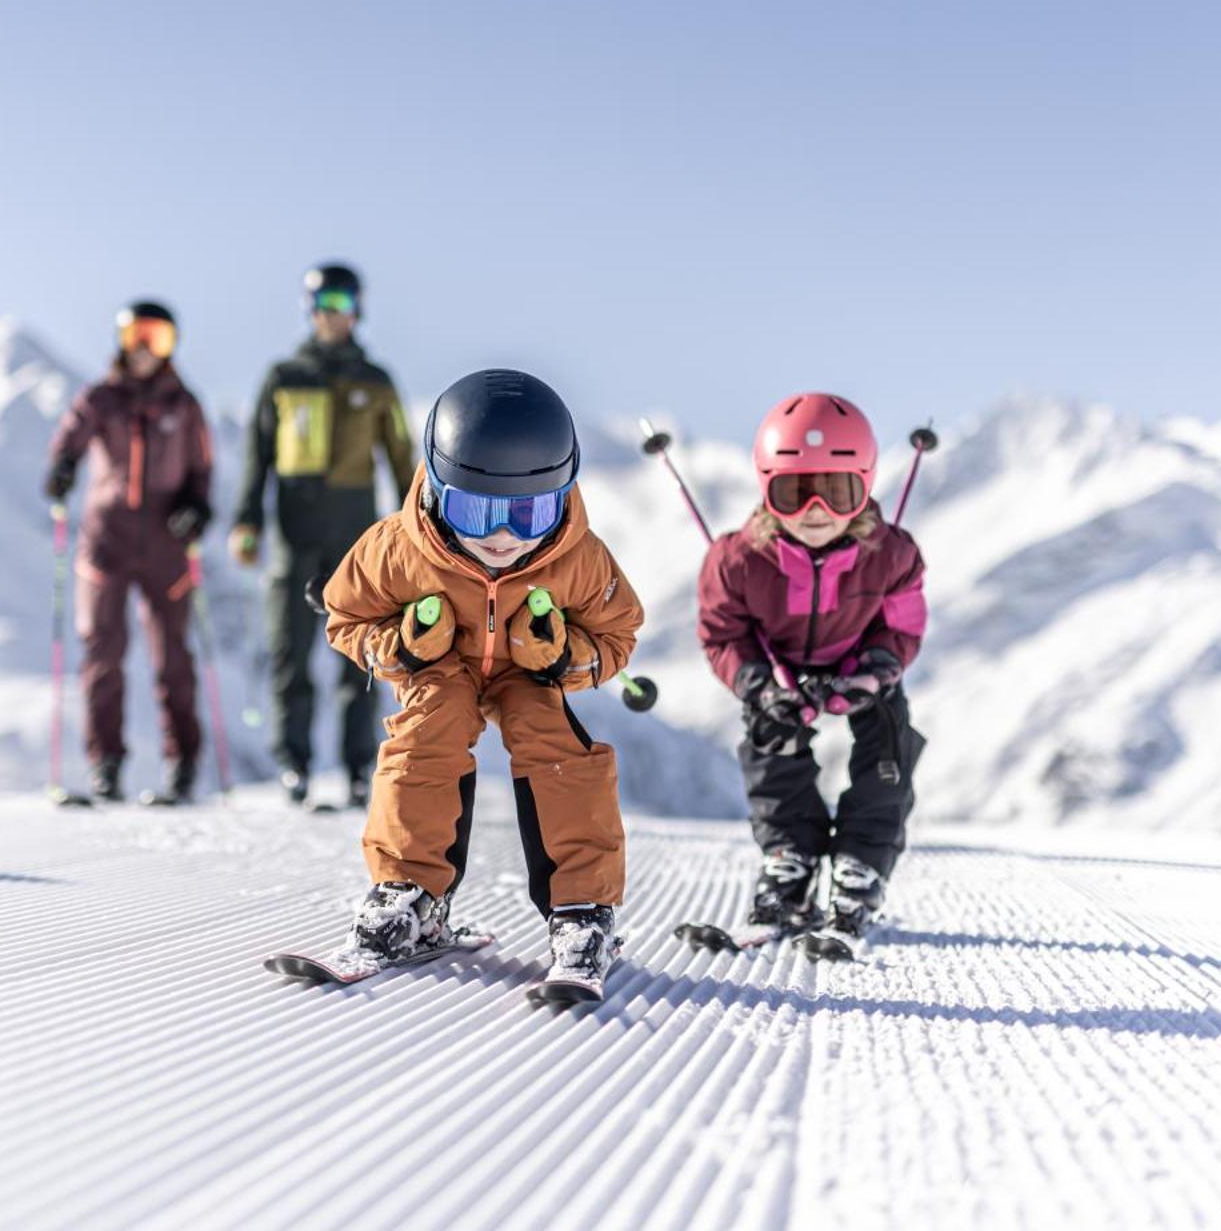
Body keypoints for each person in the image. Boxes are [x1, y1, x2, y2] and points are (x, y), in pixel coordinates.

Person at [322, 369, 643, 989]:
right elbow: (347, 617)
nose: (502, 537)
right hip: (443, 667)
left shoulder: (578, 558)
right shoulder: (397, 549)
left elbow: (617, 635)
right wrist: (404, 649)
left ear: (563, 493)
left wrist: (561, 658)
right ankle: (409, 892)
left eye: (529, 513)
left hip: (527, 674)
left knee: (555, 743)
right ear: (439, 488)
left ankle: (581, 907)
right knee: (426, 734)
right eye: (475, 509)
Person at [695, 392, 928, 958]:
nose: (816, 509)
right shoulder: (738, 559)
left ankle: (861, 864)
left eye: (839, 489)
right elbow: (723, 632)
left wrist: (872, 674)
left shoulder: (891, 553)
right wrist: (758, 684)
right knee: (771, 745)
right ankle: (789, 860)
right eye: (794, 492)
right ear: (765, 488)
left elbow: (901, 626)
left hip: (858, 664)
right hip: (780, 666)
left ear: (866, 485)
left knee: (888, 745)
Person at [230, 262, 413, 808]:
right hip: (294, 529)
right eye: (323, 302)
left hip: (355, 534)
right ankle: (296, 765)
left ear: (358, 309)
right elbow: (256, 456)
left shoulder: (376, 382)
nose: (333, 312)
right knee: (292, 653)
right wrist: (247, 520)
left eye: (343, 301)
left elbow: (401, 456)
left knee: (358, 655)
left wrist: (417, 525)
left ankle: (359, 769)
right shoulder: (284, 376)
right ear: (310, 309)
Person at [44, 300, 214, 806]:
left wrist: (196, 509)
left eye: (157, 337)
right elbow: (68, 440)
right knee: (103, 650)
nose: (144, 348)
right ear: (121, 339)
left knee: (172, 658)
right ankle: (105, 765)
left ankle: (182, 764)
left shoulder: (184, 405)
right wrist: (62, 467)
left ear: (171, 345)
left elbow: (202, 471)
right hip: (107, 537)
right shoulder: (102, 397)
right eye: (136, 335)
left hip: (166, 540)